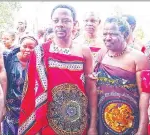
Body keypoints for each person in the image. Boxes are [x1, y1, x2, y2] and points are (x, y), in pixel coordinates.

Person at [18, 4, 97, 135]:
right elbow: (31, 89)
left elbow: (91, 89)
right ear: (52, 23)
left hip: (78, 120)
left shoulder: (84, 51)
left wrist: (93, 125)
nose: (60, 24)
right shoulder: (40, 51)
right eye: (56, 21)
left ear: (75, 24)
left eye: (66, 20)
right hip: (48, 121)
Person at [94, 16, 150, 135]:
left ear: (124, 34)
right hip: (103, 120)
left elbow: (145, 94)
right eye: (105, 34)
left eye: (113, 34)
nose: (107, 38)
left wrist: (142, 129)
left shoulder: (139, 58)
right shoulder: (101, 54)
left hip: (128, 121)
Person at [2, 35, 38, 135]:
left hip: (28, 106)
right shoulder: (9, 58)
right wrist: (2, 104)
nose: (27, 49)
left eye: (31, 47)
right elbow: (3, 81)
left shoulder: (38, 62)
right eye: (24, 46)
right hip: (10, 106)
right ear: (20, 46)